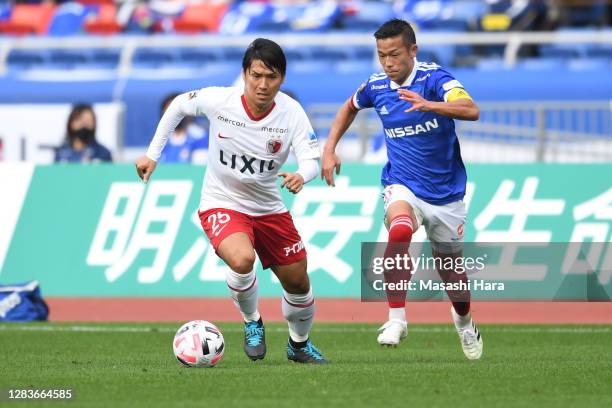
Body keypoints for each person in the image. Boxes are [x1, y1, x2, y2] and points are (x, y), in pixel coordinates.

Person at [135, 38, 327, 364]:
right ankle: (253, 322)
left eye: (272, 77)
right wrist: (153, 154)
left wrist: (302, 175)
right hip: (222, 201)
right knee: (241, 260)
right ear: (244, 74)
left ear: (282, 78)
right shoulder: (221, 100)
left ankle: (298, 345)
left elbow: (311, 157)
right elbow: (180, 104)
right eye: (256, 75)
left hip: (269, 208)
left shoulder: (291, 112)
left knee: (298, 282)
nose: (263, 85)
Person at [321, 19, 483, 360]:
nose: (388, 63)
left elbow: (471, 109)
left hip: (445, 193)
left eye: (394, 54)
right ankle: (396, 318)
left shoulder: (436, 79)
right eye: (381, 56)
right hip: (401, 183)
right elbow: (349, 107)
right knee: (399, 230)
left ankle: (465, 323)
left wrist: (431, 105)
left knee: (452, 273)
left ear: (413, 50)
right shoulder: (376, 85)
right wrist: (329, 147)